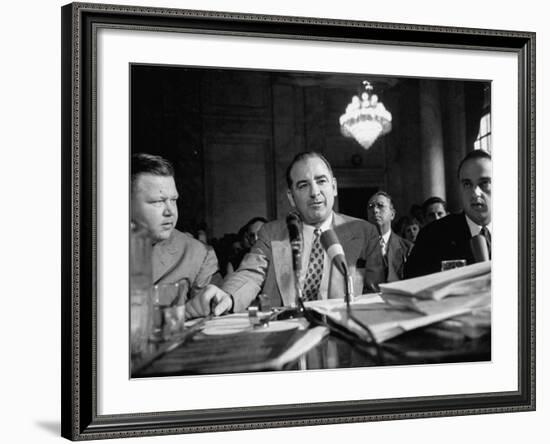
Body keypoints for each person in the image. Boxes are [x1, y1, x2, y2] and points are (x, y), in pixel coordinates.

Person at [186, 151, 385, 318]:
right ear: (291, 197)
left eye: (321, 181)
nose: (315, 192)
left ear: (333, 187)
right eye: (303, 185)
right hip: (287, 333)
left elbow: (377, 294)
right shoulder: (271, 233)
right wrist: (228, 296)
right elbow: (251, 274)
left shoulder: (364, 232)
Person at [131, 153, 221, 304]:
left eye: (173, 200)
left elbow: (211, 320)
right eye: (157, 201)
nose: (170, 211)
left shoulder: (198, 255)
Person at [405, 150, 492, 278]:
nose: (475, 193)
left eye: (484, 183)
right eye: (467, 184)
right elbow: (411, 287)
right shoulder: (431, 236)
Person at [366, 191, 413, 282]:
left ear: (392, 214)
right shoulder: (359, 248)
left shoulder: (407, 248)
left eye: (380, 206)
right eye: (370, 207)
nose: (375, 210)